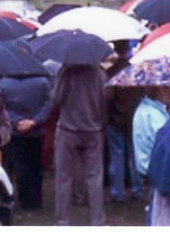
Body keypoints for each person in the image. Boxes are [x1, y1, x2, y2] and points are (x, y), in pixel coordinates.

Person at [53, 64, 107, 226]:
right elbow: (105, 101)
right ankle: (97, 220)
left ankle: (63, 220)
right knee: (94, 177)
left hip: (67, 129)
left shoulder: (67, 71)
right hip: (93, 129)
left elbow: (56, 98)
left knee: (64, 176)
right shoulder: (99, 73)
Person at [0, 76, 53, 209]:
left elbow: (0, 106)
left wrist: (16, 121)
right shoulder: (43, 82)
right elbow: (48, 103)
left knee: (19, 166)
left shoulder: (3, 83)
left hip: (15, 132)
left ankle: (24, 199)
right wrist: (35, 120)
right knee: (36, 167)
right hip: (37, 132)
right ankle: (35, 200)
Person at [105, 40, 144, 203]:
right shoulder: (136, 70)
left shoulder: (112, 71)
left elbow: (108, 96)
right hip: (134, 118)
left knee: (117, 156)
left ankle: (118, 192)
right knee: (134, 156)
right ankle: (137, 189)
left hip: (116, 119)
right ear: (128, 48)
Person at [132, 85, 170, 225]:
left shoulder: (145, 108)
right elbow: (167, 143)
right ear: (155, 90)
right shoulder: (154, 115)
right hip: (156, 168)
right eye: (166, 88)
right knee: (157, 212)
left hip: (146, 167)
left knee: (152, 207)